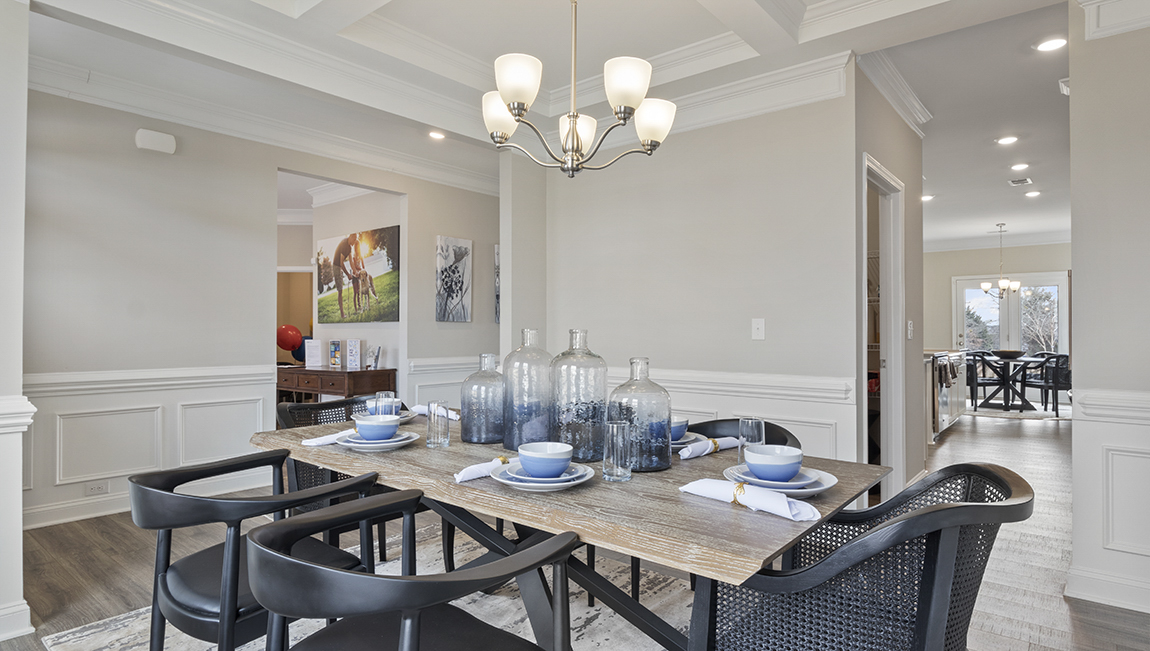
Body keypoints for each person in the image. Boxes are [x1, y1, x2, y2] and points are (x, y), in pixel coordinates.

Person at [331, 232, 361, 319]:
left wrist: (355, 272)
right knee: (340, 290)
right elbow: (341, 263)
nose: (354, 242)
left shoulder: (349, 247)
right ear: (350, 237)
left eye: (356, 240)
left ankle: (343, 314)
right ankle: (342, 314)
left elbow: (351, 261)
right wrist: (348, 274)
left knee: (341, 289)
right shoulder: (344, 244)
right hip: (336, 266)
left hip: (339, 265)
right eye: (354, 239)